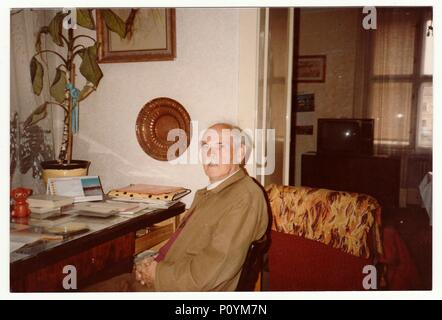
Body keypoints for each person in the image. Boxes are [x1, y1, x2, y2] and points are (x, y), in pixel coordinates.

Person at [86, 123, 269, 291]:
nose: (210, 153)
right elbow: (183, 244)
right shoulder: (213, 192)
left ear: (239, 153)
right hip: (170, 275)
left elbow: (212, 269)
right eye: (205, 146)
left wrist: (156, 274)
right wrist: (151, 262)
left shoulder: (243, 197)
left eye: (220, 146)